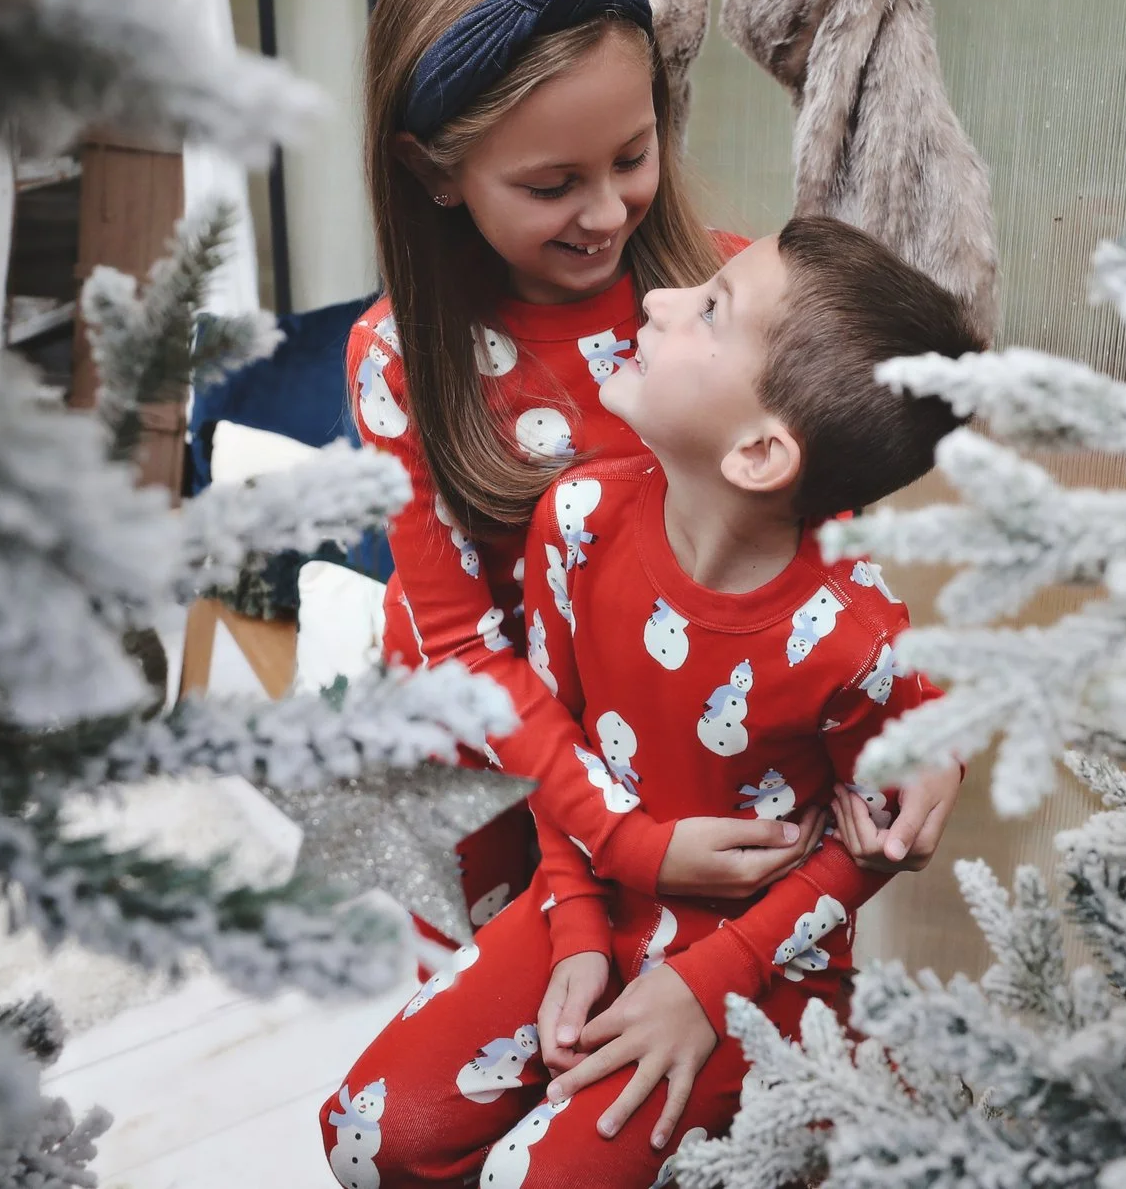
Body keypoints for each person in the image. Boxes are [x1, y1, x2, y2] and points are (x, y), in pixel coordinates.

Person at [326, 216, 985, 1188]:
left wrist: (707, 982)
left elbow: (876, 842)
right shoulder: (578, 519)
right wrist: (578, 929)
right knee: (367, 1130)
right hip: (588, 892)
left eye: (708, 308)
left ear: (761, 453)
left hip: (759, 963)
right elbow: (562, 741)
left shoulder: (859, 638)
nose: (657, 299)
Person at [345, 0, 959, 933]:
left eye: (632, 156)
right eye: (551, 185)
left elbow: (829, 536)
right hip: (492, 790)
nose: (606, 210)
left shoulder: (722, 295)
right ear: (432, 171)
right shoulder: (402, 359)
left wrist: (917, 715)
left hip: (690, 769)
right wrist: (615, 836)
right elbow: (459, 644)